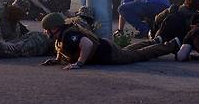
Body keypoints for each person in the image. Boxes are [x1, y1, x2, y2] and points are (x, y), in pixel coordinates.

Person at [40, 12, 180, 69]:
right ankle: (156, 40)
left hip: (108, 54)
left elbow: (87, 45)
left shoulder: (69, 36)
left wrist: (79, 64)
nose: (46, 32)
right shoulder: (64, 34)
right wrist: (57, 60)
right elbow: (62, 48)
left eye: (48, 29)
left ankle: (171, 45)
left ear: (56, 28)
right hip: (107, 47)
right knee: (128, 50)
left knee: (139, 55)